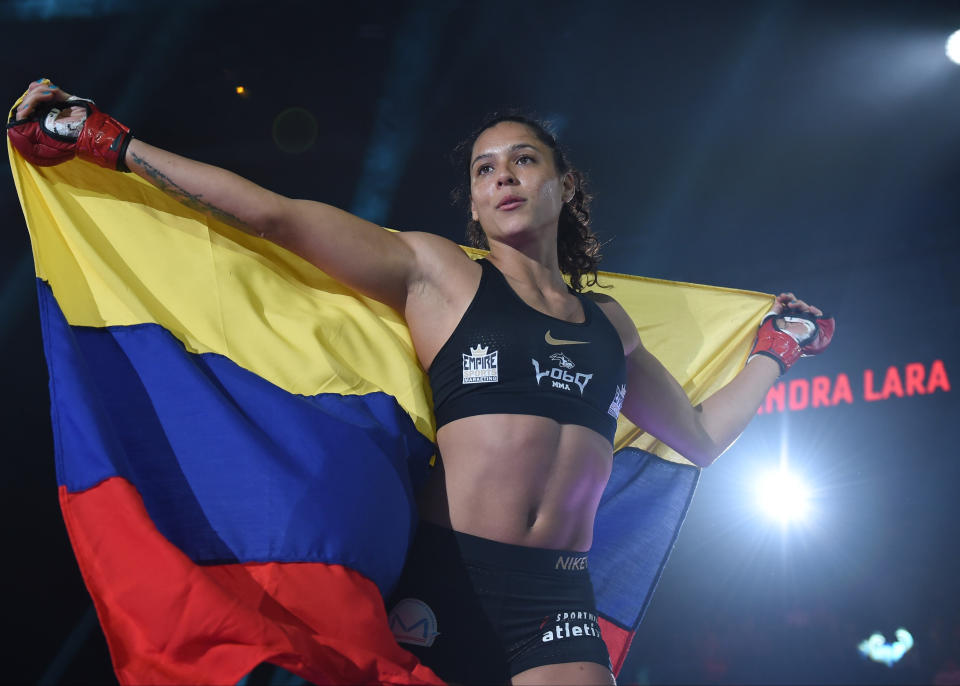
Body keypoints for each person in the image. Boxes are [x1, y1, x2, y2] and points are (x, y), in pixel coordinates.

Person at [10, 80, 832, 685]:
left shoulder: (609, 324)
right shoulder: (438, 275)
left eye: (523, 160)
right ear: (473, 205)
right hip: (449, 581)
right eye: (484, 170)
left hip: (558, 596)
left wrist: (775, 351)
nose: (503, 176)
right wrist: (111, 142)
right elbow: (275, 217)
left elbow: (696, 436)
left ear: (562, 185)